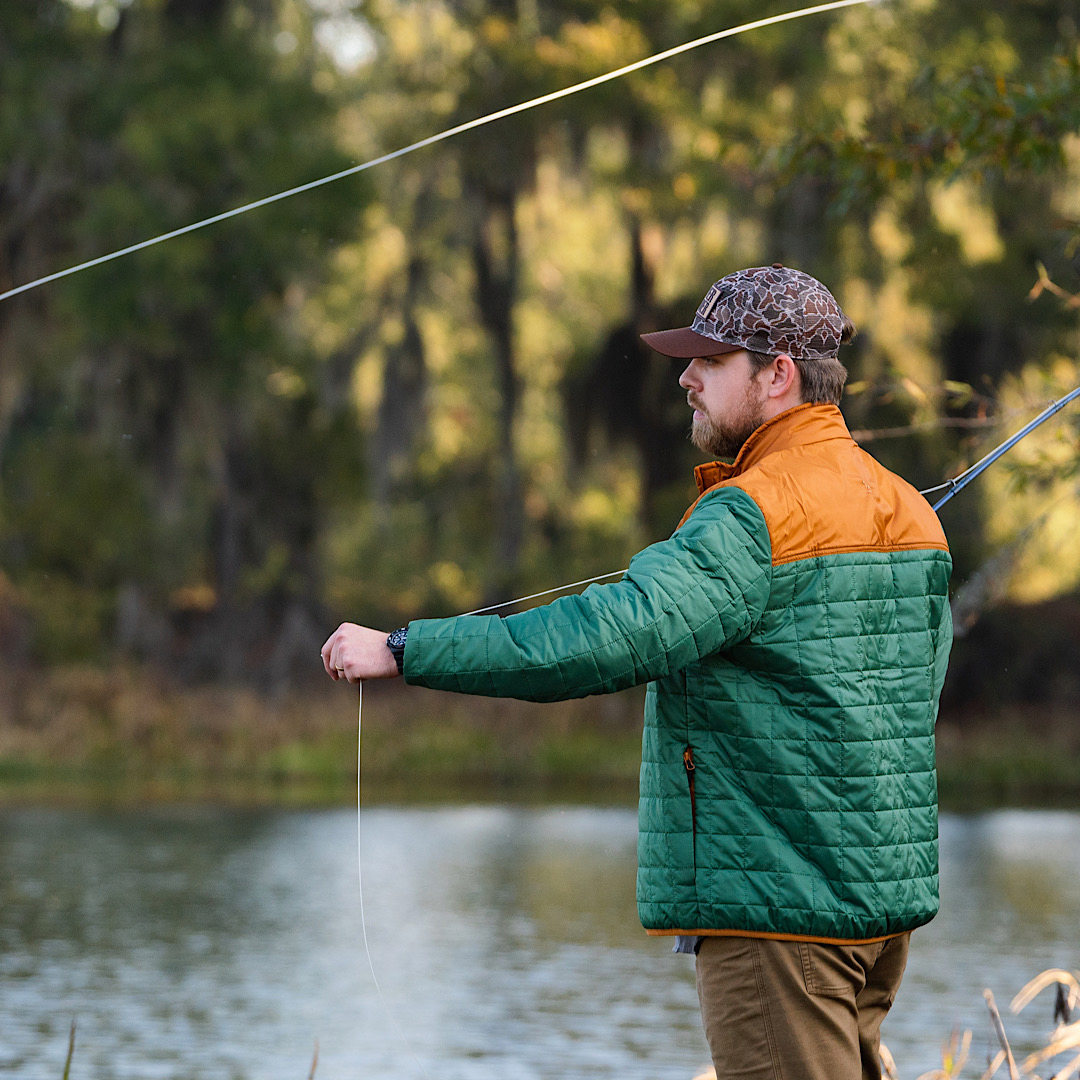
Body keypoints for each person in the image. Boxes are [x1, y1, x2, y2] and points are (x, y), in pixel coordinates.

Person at [322, 264, 953, 1080]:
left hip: (778, 920)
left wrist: (408, 649)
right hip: (873, 917)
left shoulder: (749, 514)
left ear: (779, 375)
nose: (685, 379)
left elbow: (602, 636)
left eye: (709, 362)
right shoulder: (912, 512)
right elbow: (914, 699)